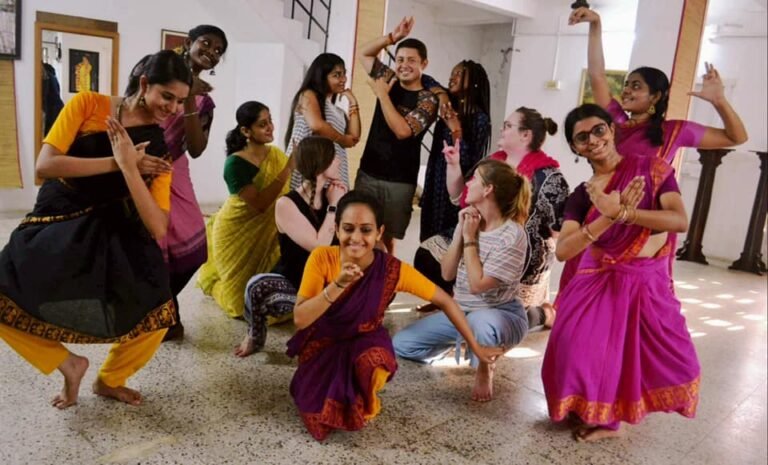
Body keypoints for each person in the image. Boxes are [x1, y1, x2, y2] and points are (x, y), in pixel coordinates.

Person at [0, 50, 192, 409]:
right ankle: (68, 364)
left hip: (115, 224)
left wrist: (130, 170)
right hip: (60, 214)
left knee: (159, 310)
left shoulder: (160, 147)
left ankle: (110, 379)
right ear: (145, 84)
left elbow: (156, 225)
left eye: (181, 101)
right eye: (167, 96)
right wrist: (116, 162)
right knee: (4, 291)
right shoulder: (88, 104)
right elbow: (47, 164)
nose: (173, 108)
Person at [287, 190, 504, 441]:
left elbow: (445, 300)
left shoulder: (391, 270)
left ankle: (364, 397)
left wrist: (476, 348)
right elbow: (301, 319)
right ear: (336, 230)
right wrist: (338, 284)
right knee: (312, 405)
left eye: (366, 230)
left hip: (365, 340)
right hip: (323, 343)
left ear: (379, 232)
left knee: (374, 361)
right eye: (348, 228)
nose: (356, 237)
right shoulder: (322, 258)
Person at [542, 104, 700, 442]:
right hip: (595, 281)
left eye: (598, 129)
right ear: (574, 147)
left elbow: (678, 220)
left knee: (659, 358)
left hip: (645, 281)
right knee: (575, 350)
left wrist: (627, 213)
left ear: (612, 130)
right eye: (581, 137)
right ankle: (593, 411)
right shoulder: (583, 195)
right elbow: (564, 250)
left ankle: (611, 418)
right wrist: (607, 216)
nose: (593, 140)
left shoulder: (653, 169)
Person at [415, 108, 568, 328]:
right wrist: (454, 164)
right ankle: (456, 304)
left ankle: (542, 314)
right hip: (479, 236)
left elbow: (559, 231)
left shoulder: (550, 177)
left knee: (500, 316)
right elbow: (459, 196)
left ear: (526, 135)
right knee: (427, 256)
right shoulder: (494, 163)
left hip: (516, 253)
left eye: (508, 126)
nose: (501, 129)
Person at [394, 159, 531, 402]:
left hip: (500, 313)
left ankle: (484, 368)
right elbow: (447, 274)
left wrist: (469, 238)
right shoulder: (470, 220)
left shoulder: (512, 235)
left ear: (488, 189)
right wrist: (461, 231)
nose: (468, 183)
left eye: (474, 179)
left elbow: (478, 285)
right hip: (464, 312)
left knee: (480, 321)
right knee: (402, 344)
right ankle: (464, 341)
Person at [570, 6, 747, 162]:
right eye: (627, 84)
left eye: (636, 86)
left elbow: (736, 138)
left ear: (655, 96)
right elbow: (597, 75)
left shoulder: (674, 131)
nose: (626, 90)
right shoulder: (616, 122)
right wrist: (596, 24)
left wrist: (719, 101)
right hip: (606, 198)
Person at [234, 136, 346, 357]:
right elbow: (319, 248)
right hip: (297, 283)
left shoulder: (339, 193)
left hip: (333, 281)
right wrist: (334, 206)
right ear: (321, 163)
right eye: (334, 158)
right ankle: (255, 336)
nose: (340, 162)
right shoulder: (286, 204)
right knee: (256, 286)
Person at [159, 24, 229, 341]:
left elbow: (197, 149)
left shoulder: (204, 101)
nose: (211, 52)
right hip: (142, 161)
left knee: (195, 247)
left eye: (218, 51)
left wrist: (190, 100)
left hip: (176, 166)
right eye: (206, 43)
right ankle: (163, 312)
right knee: (155, 243)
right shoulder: (158, 68)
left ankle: (163, 304)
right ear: (188, 43)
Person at [197, 101, 293, 319]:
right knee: (239, 306)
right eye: (262, 124)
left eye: (270, 121)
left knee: (267, 300)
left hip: (269, 232)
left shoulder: (275, 155)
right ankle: (215, 288)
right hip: (235, 231)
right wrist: (288, 169)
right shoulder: (235, 164)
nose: (270, 127)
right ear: (245, 131)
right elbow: (259, 205)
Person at [356, 16, 439, 253]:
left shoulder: (428, 99)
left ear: (424, 63)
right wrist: (392, 38)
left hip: (399, 181)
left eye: (412, 60)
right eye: (400, 59)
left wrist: (382, 95)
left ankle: (385, 287)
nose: (404, 65)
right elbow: (364, 54)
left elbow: (403, 131)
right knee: (360, 232)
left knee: (387, 238)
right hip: (369, 171)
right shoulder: (389, 79)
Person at [419, 60, 491, 242]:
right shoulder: (449, 106)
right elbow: (426, 79)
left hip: (456, 188)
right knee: (427, 238)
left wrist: (455, 128)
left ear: (474, 81)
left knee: (445, 240)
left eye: (459, 74)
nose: (452, 77)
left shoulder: (479, 118)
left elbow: (468, 160)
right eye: (452, 72)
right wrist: (442, 96)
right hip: (434, 179)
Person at [285, 53, 361, 189]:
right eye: (336, 75)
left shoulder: (338, 112)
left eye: (344, 74)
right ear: (321, 77)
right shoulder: (308, 95)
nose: (343, 79)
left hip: (332, 172)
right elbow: (317, 125)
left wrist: (353, 102)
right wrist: (342, 139)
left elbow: (354, 137)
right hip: (309, 168)